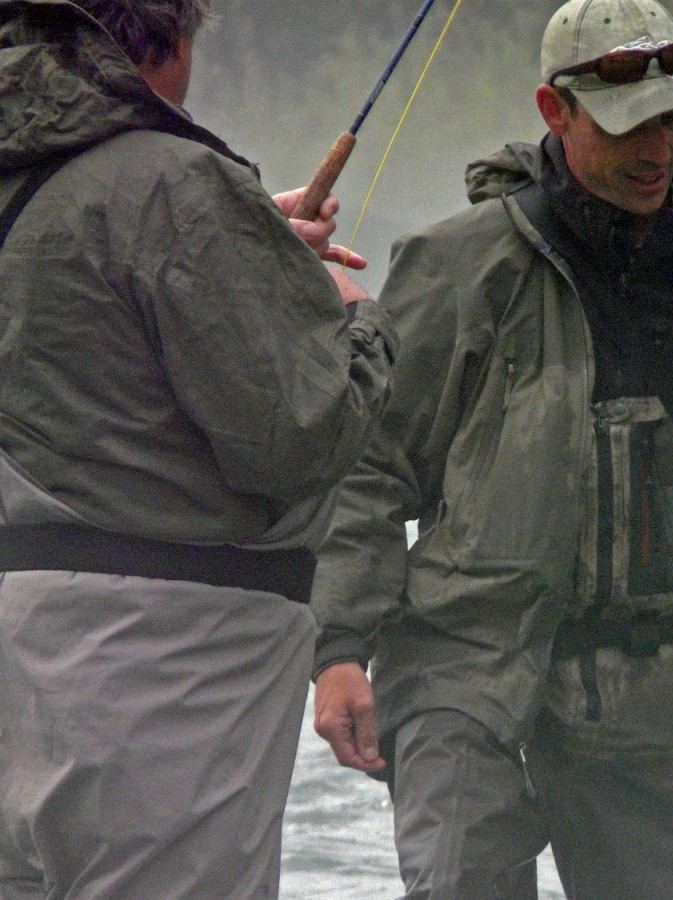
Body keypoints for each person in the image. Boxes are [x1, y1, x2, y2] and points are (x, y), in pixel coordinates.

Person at [312, 0, 673, 896]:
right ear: (557, 112)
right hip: (460, 671)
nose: (657, 148)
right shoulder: (456, 268)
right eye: (629, 123)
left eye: (672, 119)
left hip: (658, 685)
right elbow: (364, 470)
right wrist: (337, 651)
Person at [0, 1, 398, 897]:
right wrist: (352, 322)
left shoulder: (34, 168)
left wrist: (243, 247)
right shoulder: (173, 182)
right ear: (170, 42)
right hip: (155, 672)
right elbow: (299, 435)